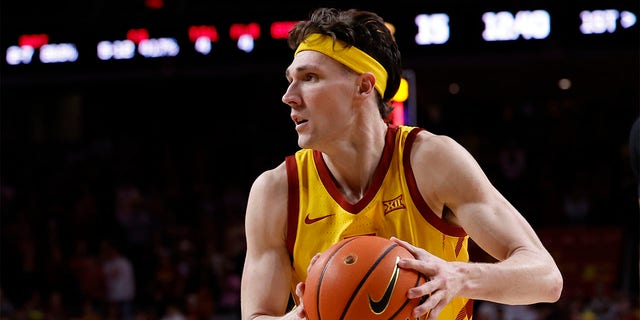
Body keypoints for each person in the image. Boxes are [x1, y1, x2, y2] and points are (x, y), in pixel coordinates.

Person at [240, 7, 563, 320]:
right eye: (290, 80)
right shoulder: (277, 191)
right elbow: (255, 316)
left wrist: (457, 277)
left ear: (364, 86)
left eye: (310, 77)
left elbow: (546, 278)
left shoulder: (430, 162)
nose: (289, 96)